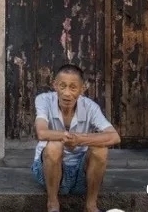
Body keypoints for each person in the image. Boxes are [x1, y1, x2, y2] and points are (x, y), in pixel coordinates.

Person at [31, 64, 120, 212]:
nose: (67, 93)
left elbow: (114, 137)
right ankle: (53, 204)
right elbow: (41, 132)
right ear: (54, 85)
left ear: (82, 89)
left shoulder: (90, 106)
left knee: (100, 150)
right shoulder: (44, 100)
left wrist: (80, 140)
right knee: (54, 146)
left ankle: (90, 206)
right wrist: (67, 137)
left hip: (81, 174)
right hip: (47, 172)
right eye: (62, 86)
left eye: (73, 87)